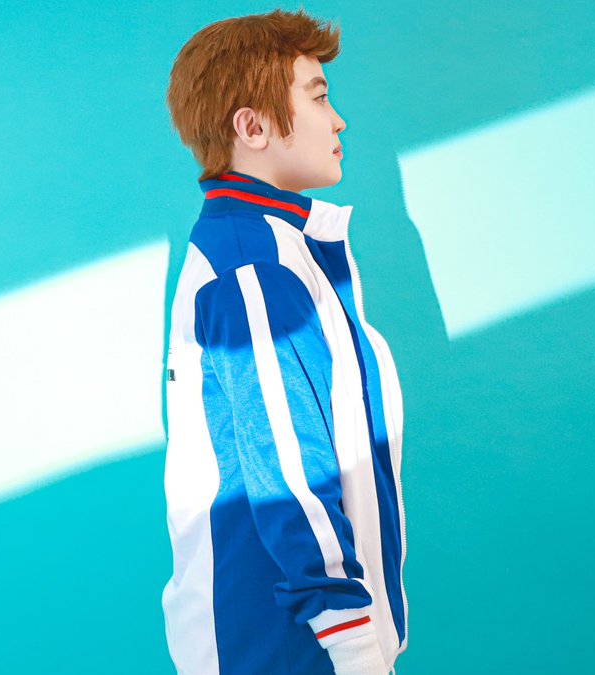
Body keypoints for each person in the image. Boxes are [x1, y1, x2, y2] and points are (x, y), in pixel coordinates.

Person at [160, 8, 407, 675]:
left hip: (296, 641)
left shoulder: (274, 249)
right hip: (282, 646)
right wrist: (354, 644)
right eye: (319, 97)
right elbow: (290, 469)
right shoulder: (254, 265)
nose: (338, 121)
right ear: (253, 127)